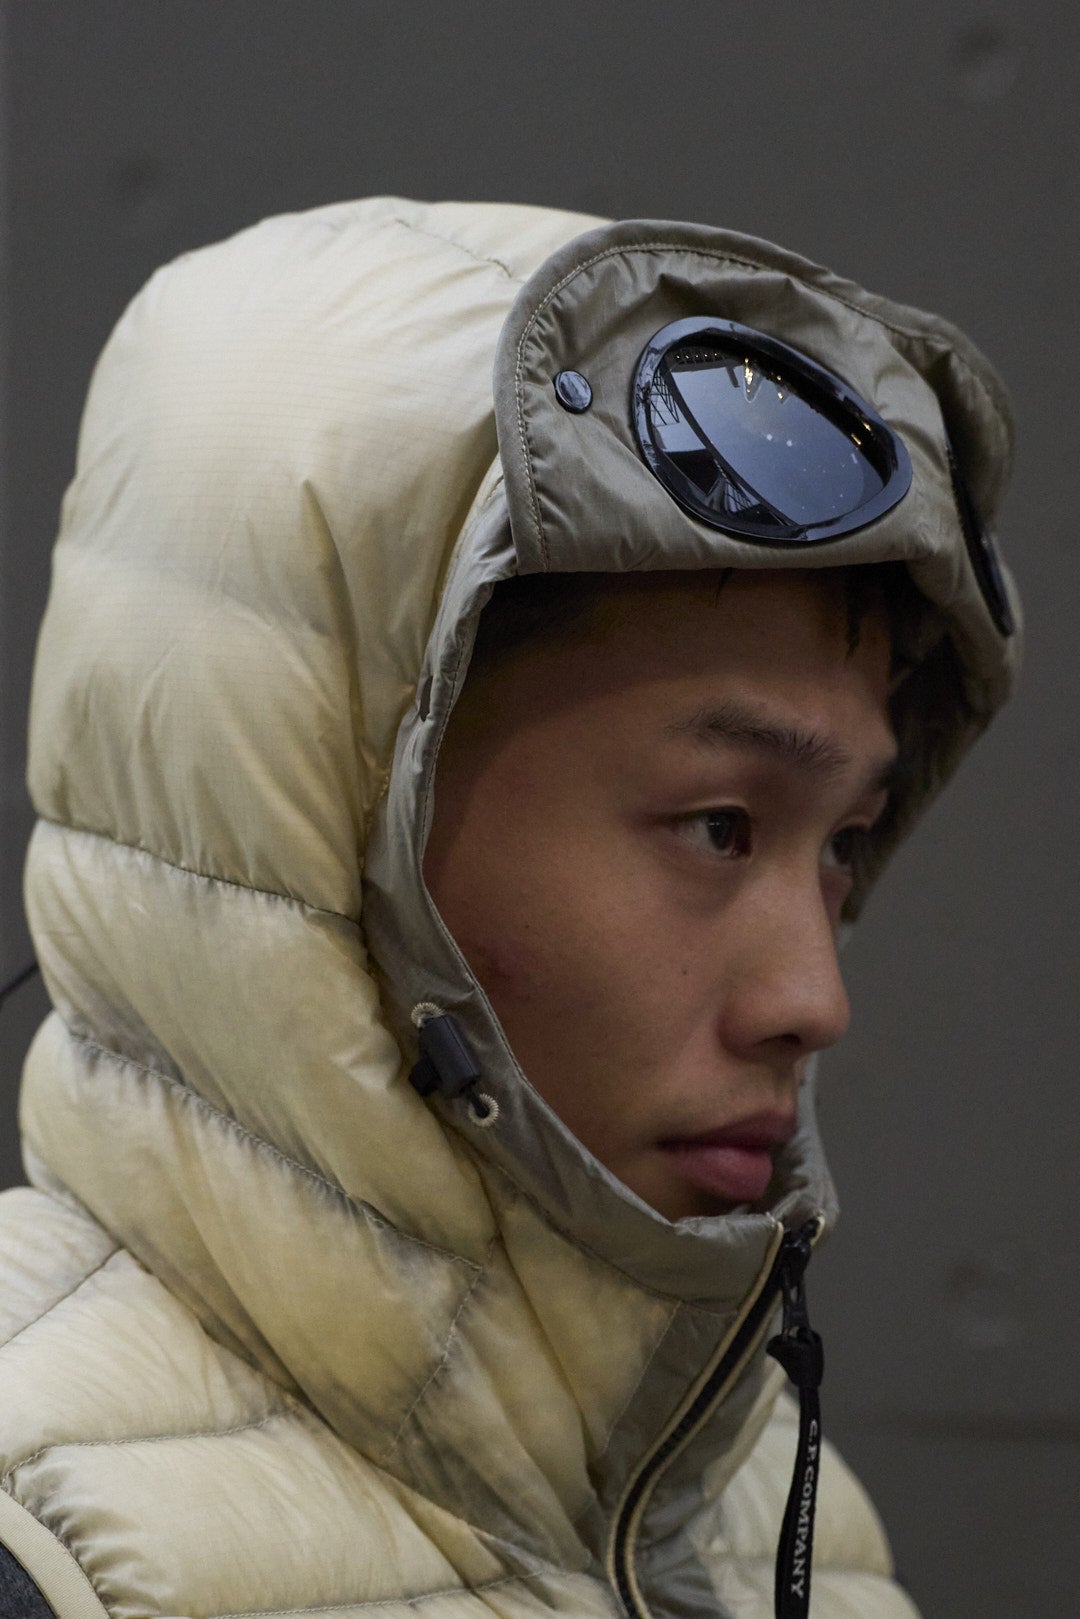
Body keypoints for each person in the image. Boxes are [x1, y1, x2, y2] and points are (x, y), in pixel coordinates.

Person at [0, 198, 1019, 1619]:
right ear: (335, 817)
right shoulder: (45, 1555)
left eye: (843, 843)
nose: (814, 1000)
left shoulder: (783, 1520)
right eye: (720, 827)